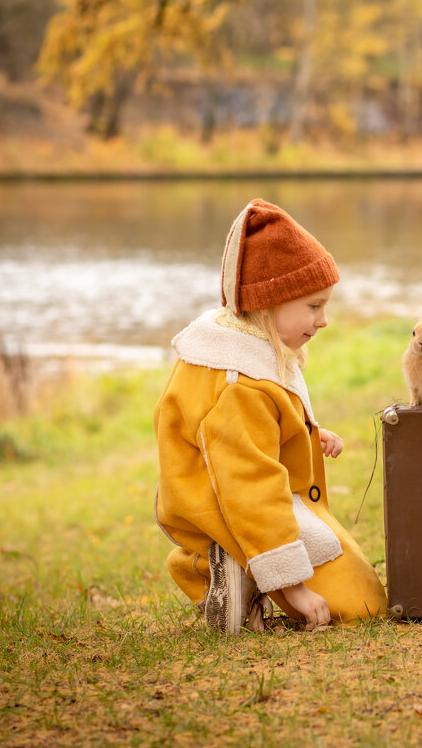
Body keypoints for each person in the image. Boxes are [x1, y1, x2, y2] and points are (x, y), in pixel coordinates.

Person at [154, 198, 387, 633]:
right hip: (228, 511)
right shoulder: (236, 386)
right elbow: (249, 485)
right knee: (362, 607)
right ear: (269, 303)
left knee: (365, 595)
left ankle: (244, 572)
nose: (324, 321)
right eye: (314, 306)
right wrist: (294, 585)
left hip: (253, 505)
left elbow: (263, 436)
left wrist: (304, 436)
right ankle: (215, 562)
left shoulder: (255, 351)